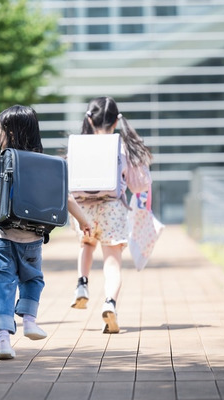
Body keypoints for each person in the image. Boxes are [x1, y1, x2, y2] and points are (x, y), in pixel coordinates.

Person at [0, 105, 91, 360]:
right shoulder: (48, 165)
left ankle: (3, 340)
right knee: (33, 279)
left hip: (0, 236)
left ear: (8, 134)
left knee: (2, 285)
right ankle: (29, 320)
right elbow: (65, 198)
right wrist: (84, 220)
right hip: (33, 237)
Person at [69, 96, 153, 334]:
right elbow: (139, 185)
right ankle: (110, 303)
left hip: (83, 208)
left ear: (89, 119)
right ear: (117, 121)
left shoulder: (79, 145)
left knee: (86, 246)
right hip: (113, 208)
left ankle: (82, 284)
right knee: (112, 262)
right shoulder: (124, 147)